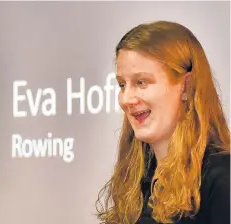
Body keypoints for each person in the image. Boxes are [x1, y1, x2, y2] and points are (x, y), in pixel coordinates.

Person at [96, 21, 230, 224]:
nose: (126, 99)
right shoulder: (137, 182)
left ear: (187, 87)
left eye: (141, 82)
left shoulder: (222, 178)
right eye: (122, 85)